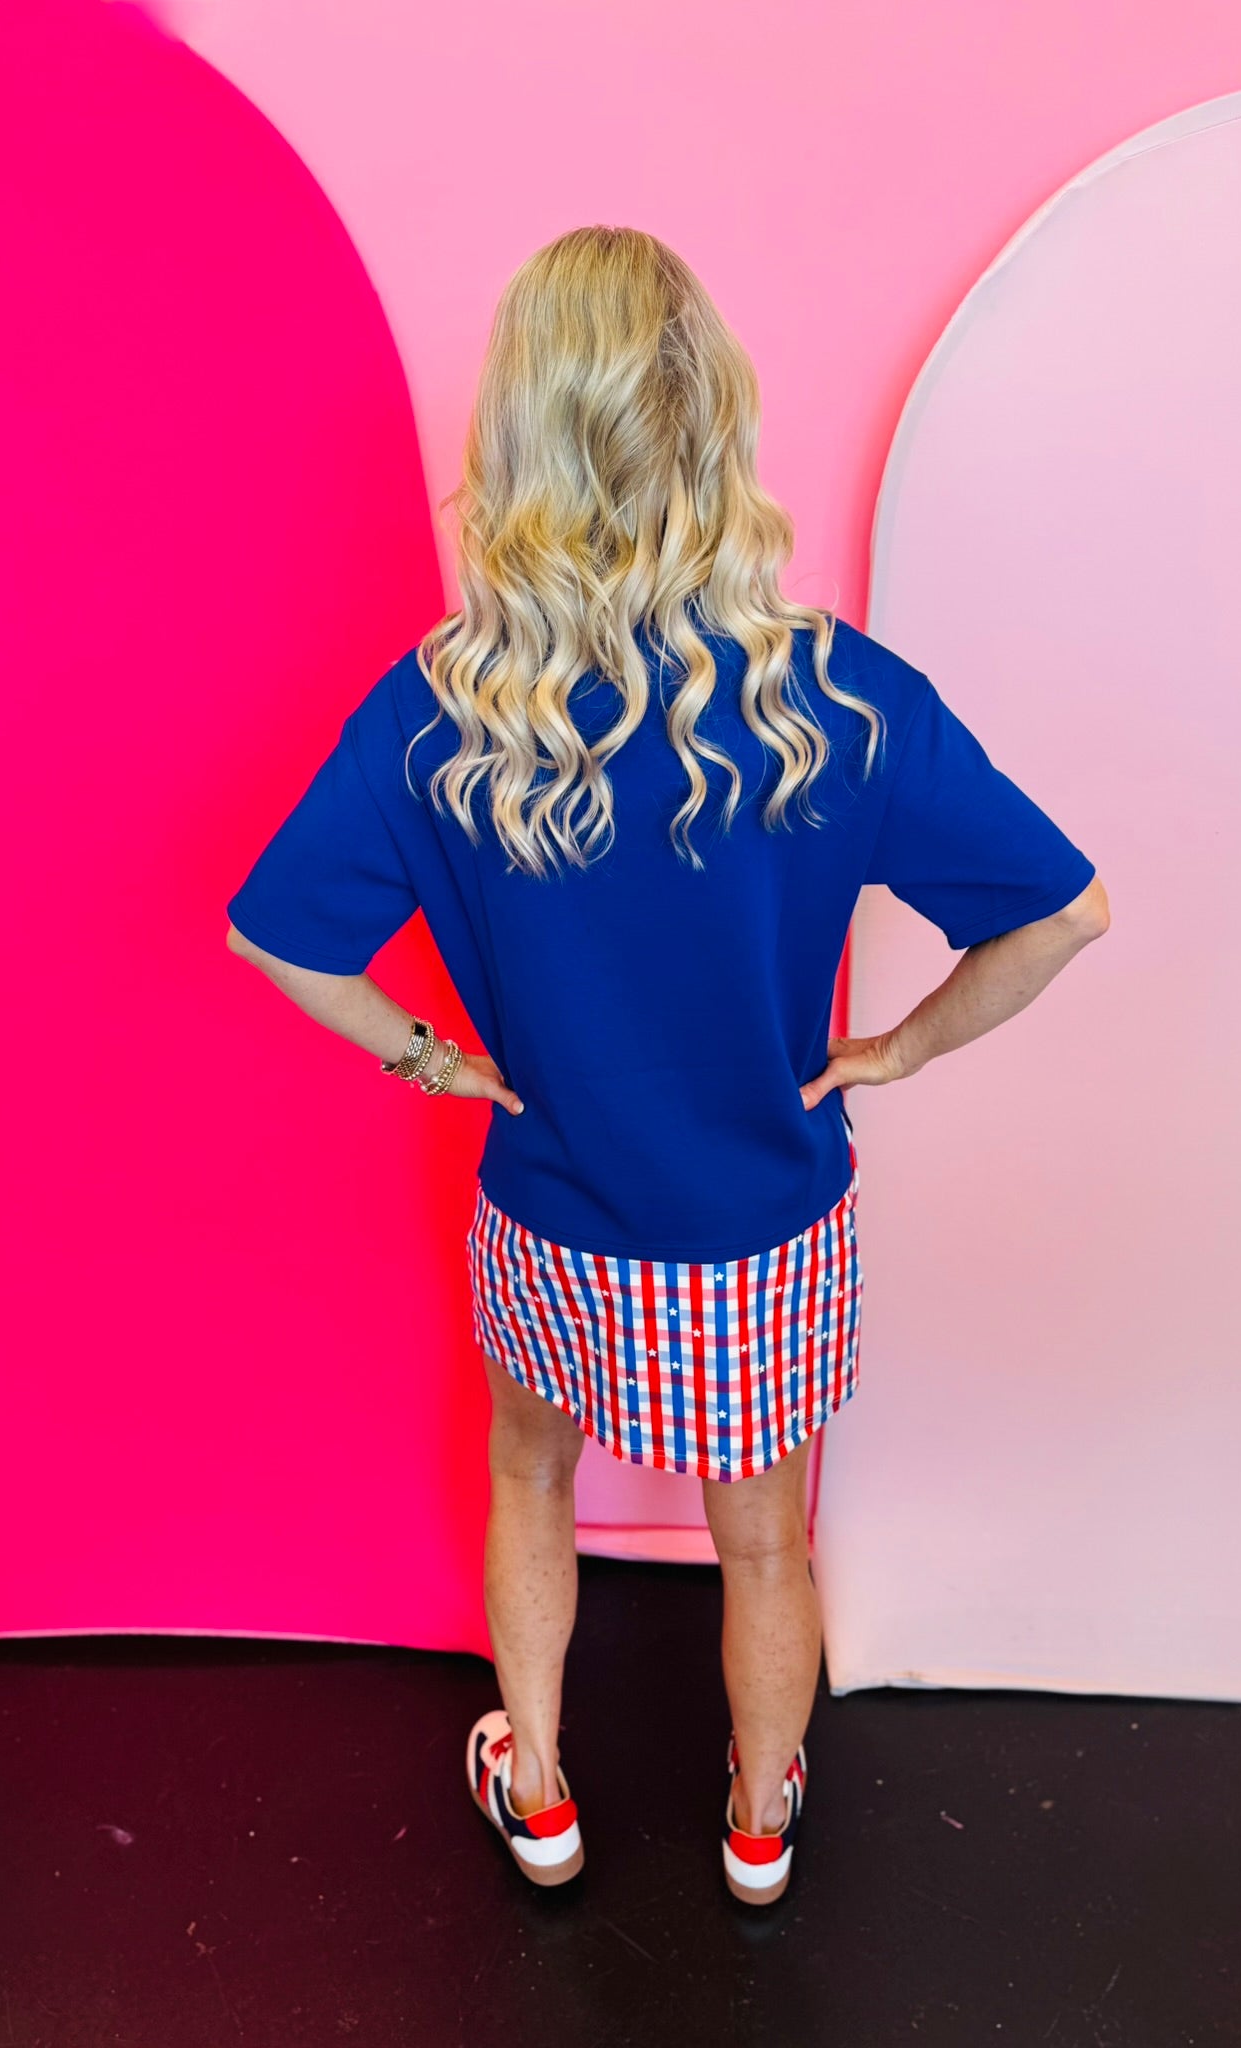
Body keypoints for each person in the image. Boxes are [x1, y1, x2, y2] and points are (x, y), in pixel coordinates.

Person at [224, 225, 1109, 1907]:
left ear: (520, 437)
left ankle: (539, 1791)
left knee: (527, 1474)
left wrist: (434, 1060)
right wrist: (896, 1051)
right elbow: (1066, 910)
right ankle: (761, 1823)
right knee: (762, 1539)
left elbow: (277, 936)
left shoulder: (440, 714)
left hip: (552, 1210)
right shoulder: (839, 700)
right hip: (769, 1227)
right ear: (716, 427)